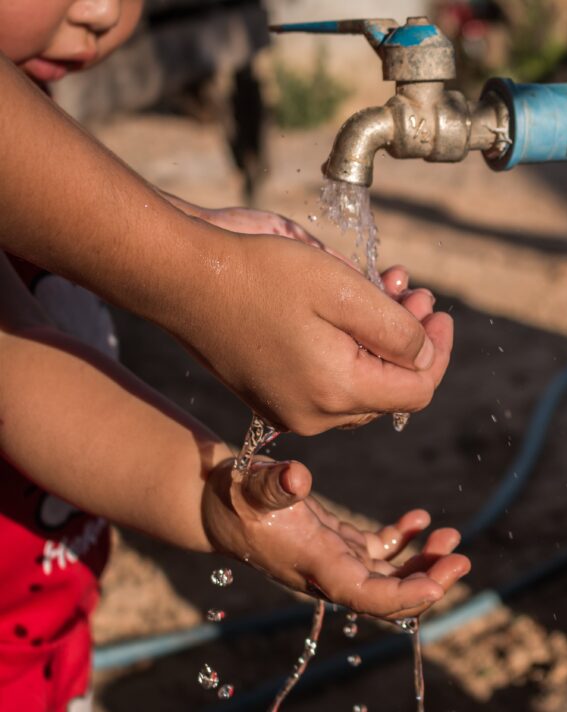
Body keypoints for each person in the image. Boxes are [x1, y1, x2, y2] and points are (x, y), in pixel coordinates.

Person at [0, 1, 469, 710]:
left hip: (47, 663)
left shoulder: (37, 121)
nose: (101, 10)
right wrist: (207, 280)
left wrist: (216, 500)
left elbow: (22, 370)